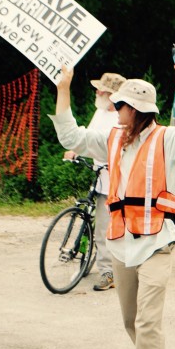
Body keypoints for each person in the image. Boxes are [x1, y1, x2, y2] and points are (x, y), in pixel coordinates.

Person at [50, 54, 175, 349]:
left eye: (121, 105)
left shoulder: (169, 138)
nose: (115, 109)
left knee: (148, 321)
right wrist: (62, 89)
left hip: (157, 242)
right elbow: (71, 136)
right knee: (130, 321)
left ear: (138, 110)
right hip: (122, 243)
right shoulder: (111, 138)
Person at [63, 72, 126, 291]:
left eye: (102, 90)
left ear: (113, 95)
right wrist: (73, 149)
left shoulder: (122, 116)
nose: (97, 92)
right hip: (102, 177)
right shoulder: (100, 112)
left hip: (119, 181)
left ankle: (109, 272)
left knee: (108, 228)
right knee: (101, 227)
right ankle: (106, 266)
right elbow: (87, 136)